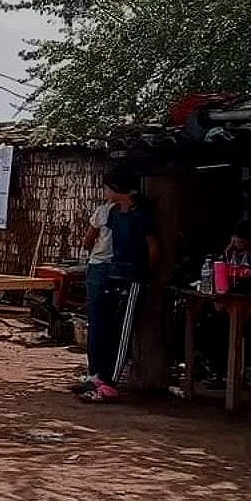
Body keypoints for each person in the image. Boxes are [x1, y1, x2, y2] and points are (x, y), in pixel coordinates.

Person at [80, 170, 158, 403]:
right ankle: (101, 377)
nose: (105, 193)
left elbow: (153, 246)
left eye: (108, 188)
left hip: (132, 276)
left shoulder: (140, 215)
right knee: (110, 329)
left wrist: (145, 273)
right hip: (115, 273)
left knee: (123, 331)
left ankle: (111, 383)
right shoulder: (114, 213)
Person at [80, 191, 114, 385]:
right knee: (110, 324)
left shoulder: (104, 211)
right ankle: (106, 372)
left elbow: (87, 240)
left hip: (100, 266)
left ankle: (96, 373)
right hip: (119, 269)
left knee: (97, 322)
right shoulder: (132, 213)